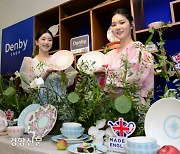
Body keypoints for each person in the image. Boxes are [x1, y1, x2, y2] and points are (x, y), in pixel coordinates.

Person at [97, 8, 154, 103]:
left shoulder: (141, 51)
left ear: (132, 25)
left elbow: (137, 83)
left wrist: (110, 81)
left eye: (122, 22)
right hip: (110, 107)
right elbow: (101, 86)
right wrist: (98, 76)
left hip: (133, 105)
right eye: (114, 25)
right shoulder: (108, 55)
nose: (117, 27)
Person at [19, 29, 76, 102]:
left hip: (59, 101)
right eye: (43, 39)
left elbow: (68, 82)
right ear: (36, 42)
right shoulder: (29, 62)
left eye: (50, 40)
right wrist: (46, 73)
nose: (46, 42)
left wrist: (63, 71)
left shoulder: (58, 60)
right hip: (40, 103)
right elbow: (29, 89)